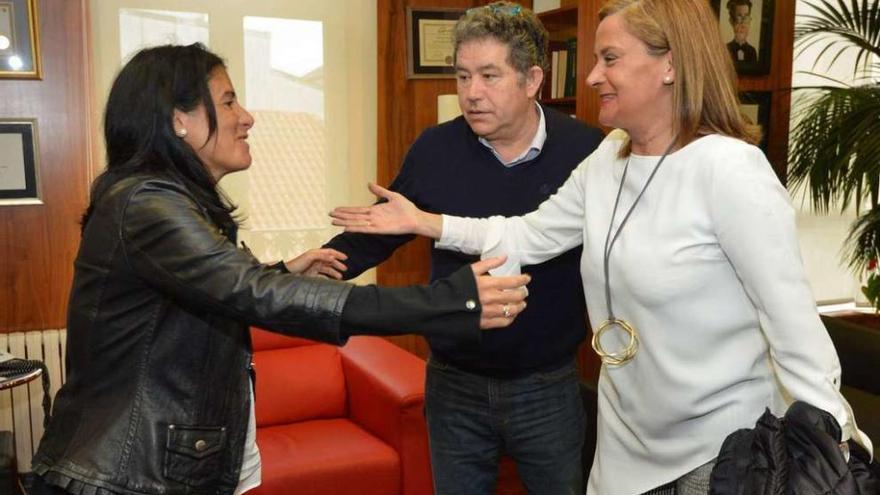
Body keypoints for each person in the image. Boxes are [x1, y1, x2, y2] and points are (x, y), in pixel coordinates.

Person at [330, 0, 875, 494]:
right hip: (625, 446)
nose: (592, 77)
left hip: (720, 452)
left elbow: (794, 328)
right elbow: (526, 235)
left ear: (670, 65)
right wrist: (425, 221)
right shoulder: (609, 157)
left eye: (609, 58)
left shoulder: (729, 168)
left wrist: (832, 449)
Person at [28, 43, 530, 495]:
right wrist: (449, 301)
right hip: (125, 474)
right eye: (227, 102)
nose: (246, 116)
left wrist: (284, 270)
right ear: (179, 119)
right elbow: (250, 292)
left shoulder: (166, 198)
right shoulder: (149, 204)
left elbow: (211, 287)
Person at [323, 2, 603, 493]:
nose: (471, 94)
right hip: (454, 384)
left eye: (489, 76)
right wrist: (300, 274)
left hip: (548, 386)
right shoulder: (435, 149)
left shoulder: (587, 151)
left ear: (533, 79)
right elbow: (380, 230)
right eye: (463, 76)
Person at [725, 0, 757, 64]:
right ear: (731, 21)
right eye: (739, 17)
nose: (743, 23)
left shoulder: (752, 51)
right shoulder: (725, 50)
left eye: (746, 17)